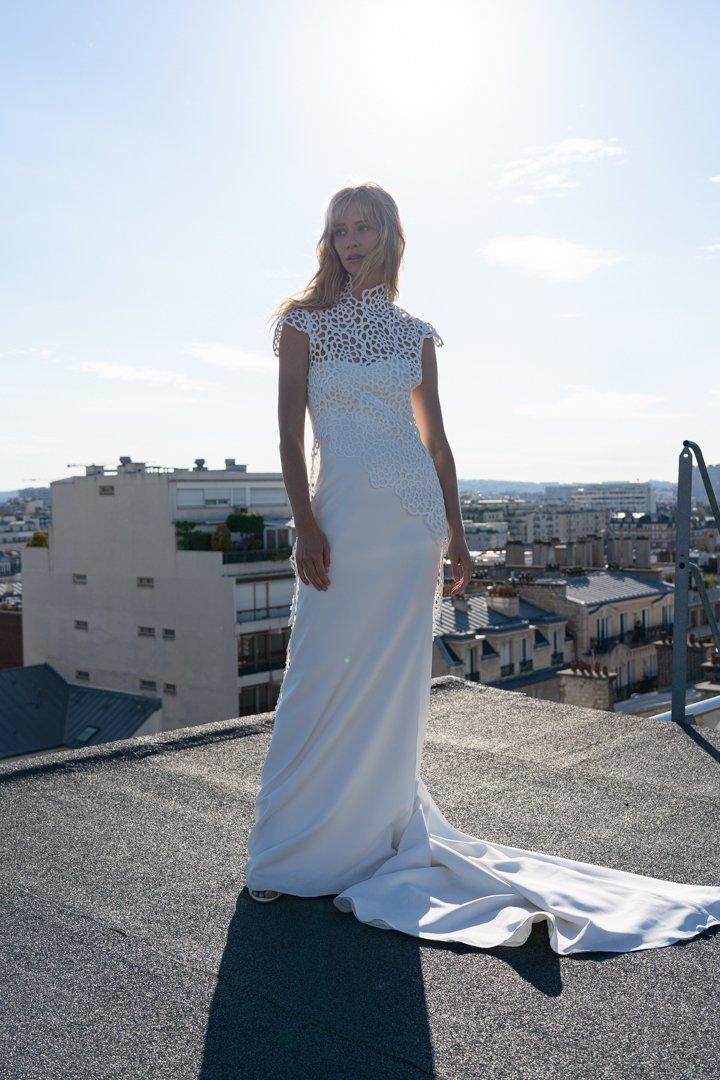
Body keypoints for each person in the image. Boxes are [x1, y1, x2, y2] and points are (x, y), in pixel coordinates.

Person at [244, 181, 720, 955]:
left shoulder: (417, 334)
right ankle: (287, 853)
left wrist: (459, 538)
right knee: (315, 679)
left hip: (409, 532)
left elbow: (436, 445)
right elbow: (289, 436)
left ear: (390, 235)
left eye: (363, 227)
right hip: (339, 520)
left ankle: (366, 841)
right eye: (338, 230)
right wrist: (303, 524)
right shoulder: (301, 325)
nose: (349, 241)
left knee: (392, 691)